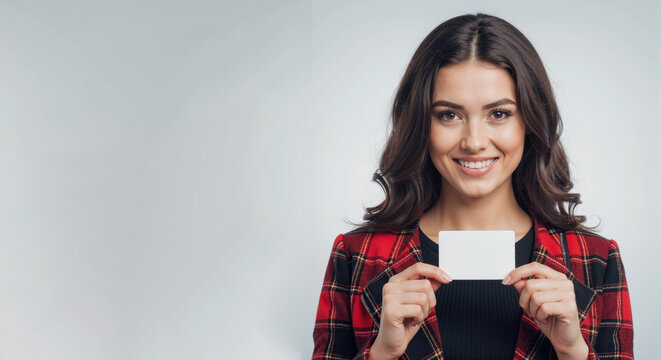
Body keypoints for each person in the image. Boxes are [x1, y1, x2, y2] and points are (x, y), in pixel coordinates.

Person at [312, 13, 633, 360]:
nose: (474, 142)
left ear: (530, 121)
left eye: (499, 114)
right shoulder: (355, 255)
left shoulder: (597, 260)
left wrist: (572, 351)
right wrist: (383, 352)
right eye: (449, 114)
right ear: (421, 122)